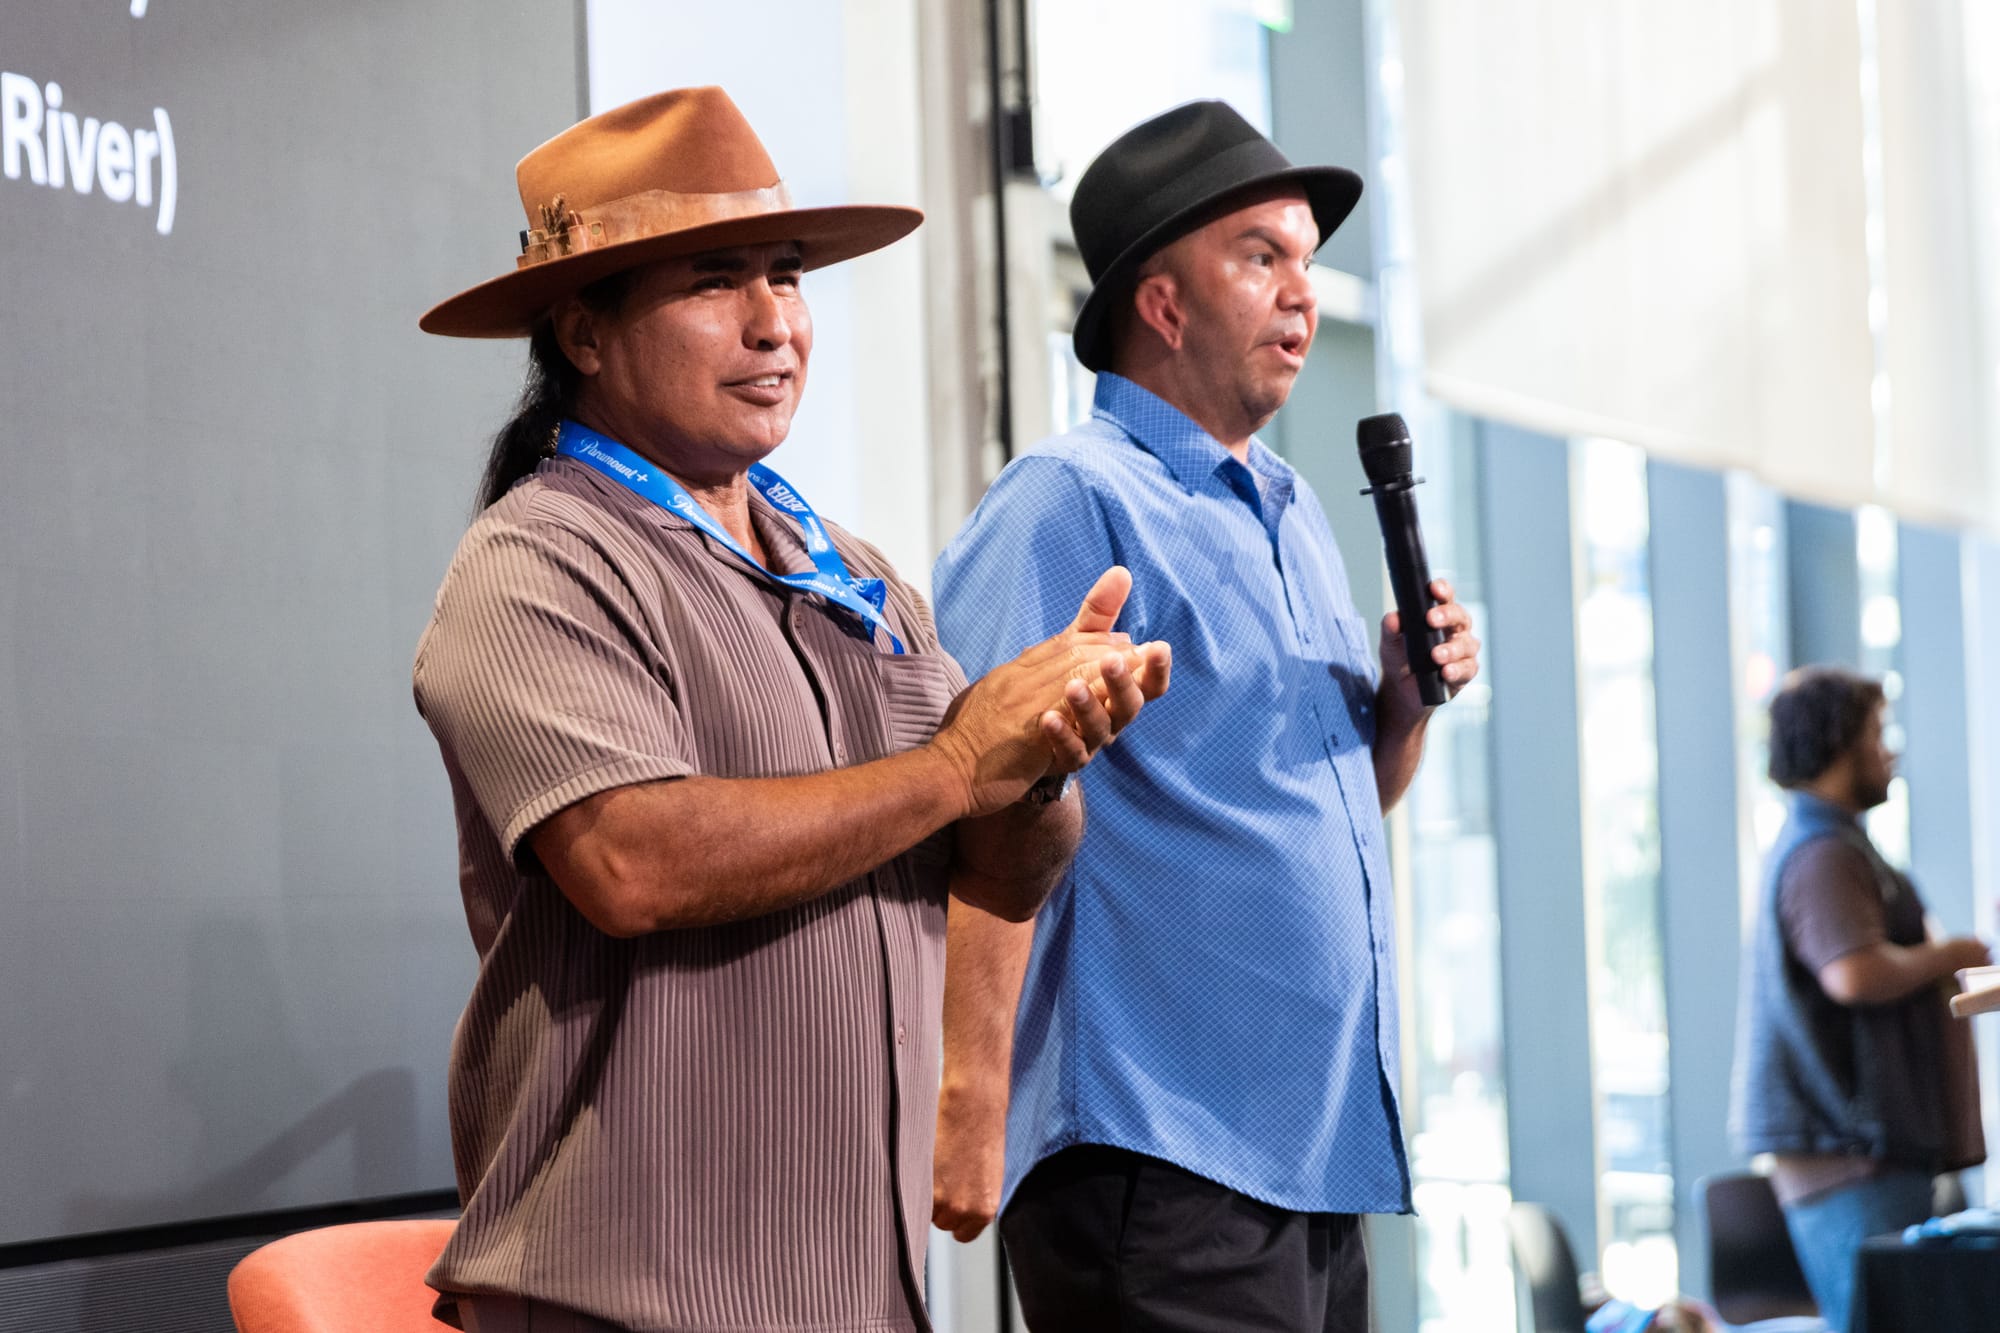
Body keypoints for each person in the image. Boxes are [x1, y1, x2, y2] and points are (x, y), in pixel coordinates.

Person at [410, 86, 1169, 1333]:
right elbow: (630, 859)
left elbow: (996, 859)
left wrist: (1037, 760)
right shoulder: (538, 557)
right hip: (628, 1298)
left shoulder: (857, 574)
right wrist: (959, 761)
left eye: (787, 276)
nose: (775, 325)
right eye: (717, 281)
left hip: (858, 1286)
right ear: (584, 335)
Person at [929, 100, 1481, 1332]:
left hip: (1309, 1146)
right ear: (1162, 306)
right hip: (1155, 1145)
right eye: (1261, 257)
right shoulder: (1066, 501)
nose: (1304, 294)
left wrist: (1396, 711)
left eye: (1308, 261)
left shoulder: (1287, 509)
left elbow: (1308, 812)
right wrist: (964, 1097)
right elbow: (964, 801)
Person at [1732, 666, 1986, 1332]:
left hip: (1864, 1144)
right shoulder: (1822, 854)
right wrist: (1957, 954)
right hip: (1850, 1148)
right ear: (1838, 739)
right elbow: (1853, 972)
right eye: (1877, 732)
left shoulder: (1839, 844)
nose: (1889, 749)